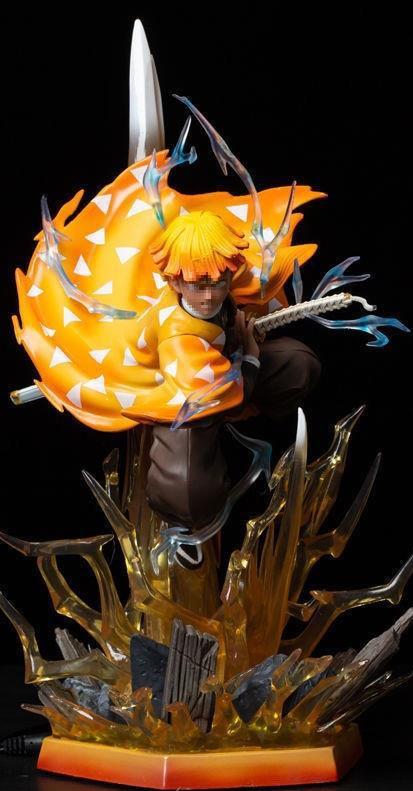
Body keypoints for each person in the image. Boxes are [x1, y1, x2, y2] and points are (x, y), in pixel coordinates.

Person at [143, 211, 321, 566]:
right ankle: (182, 530)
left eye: (219, 281)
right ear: (175, 282)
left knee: (299, 363)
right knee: (188, 490)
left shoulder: (219, 292)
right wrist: (249, 355)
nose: (210, 296)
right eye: (198, 285)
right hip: (185, 400)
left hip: (224, 372)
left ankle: (246, 419)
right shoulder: (178, 337)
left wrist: (242, 337)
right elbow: (213, 397)